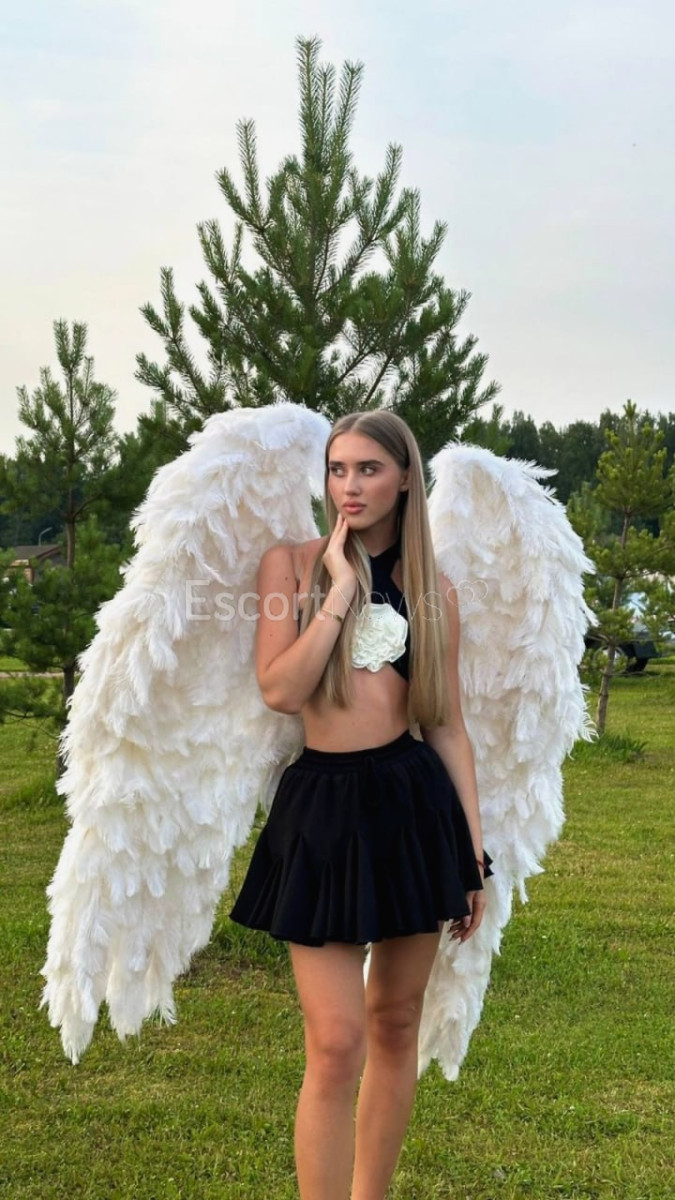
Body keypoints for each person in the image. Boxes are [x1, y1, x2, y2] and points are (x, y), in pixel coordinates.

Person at [229, 409, 493, 1200]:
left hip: (412, 807)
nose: (349, 485)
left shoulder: (433, 591)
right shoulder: (290, 566)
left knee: (395, 1022)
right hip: (321, 811)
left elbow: (446, 727)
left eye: (368, 469)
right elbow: (280, 690)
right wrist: (340, 592)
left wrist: (472, 856)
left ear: (405, 477)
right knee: (336, 1042)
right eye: (337, 469)